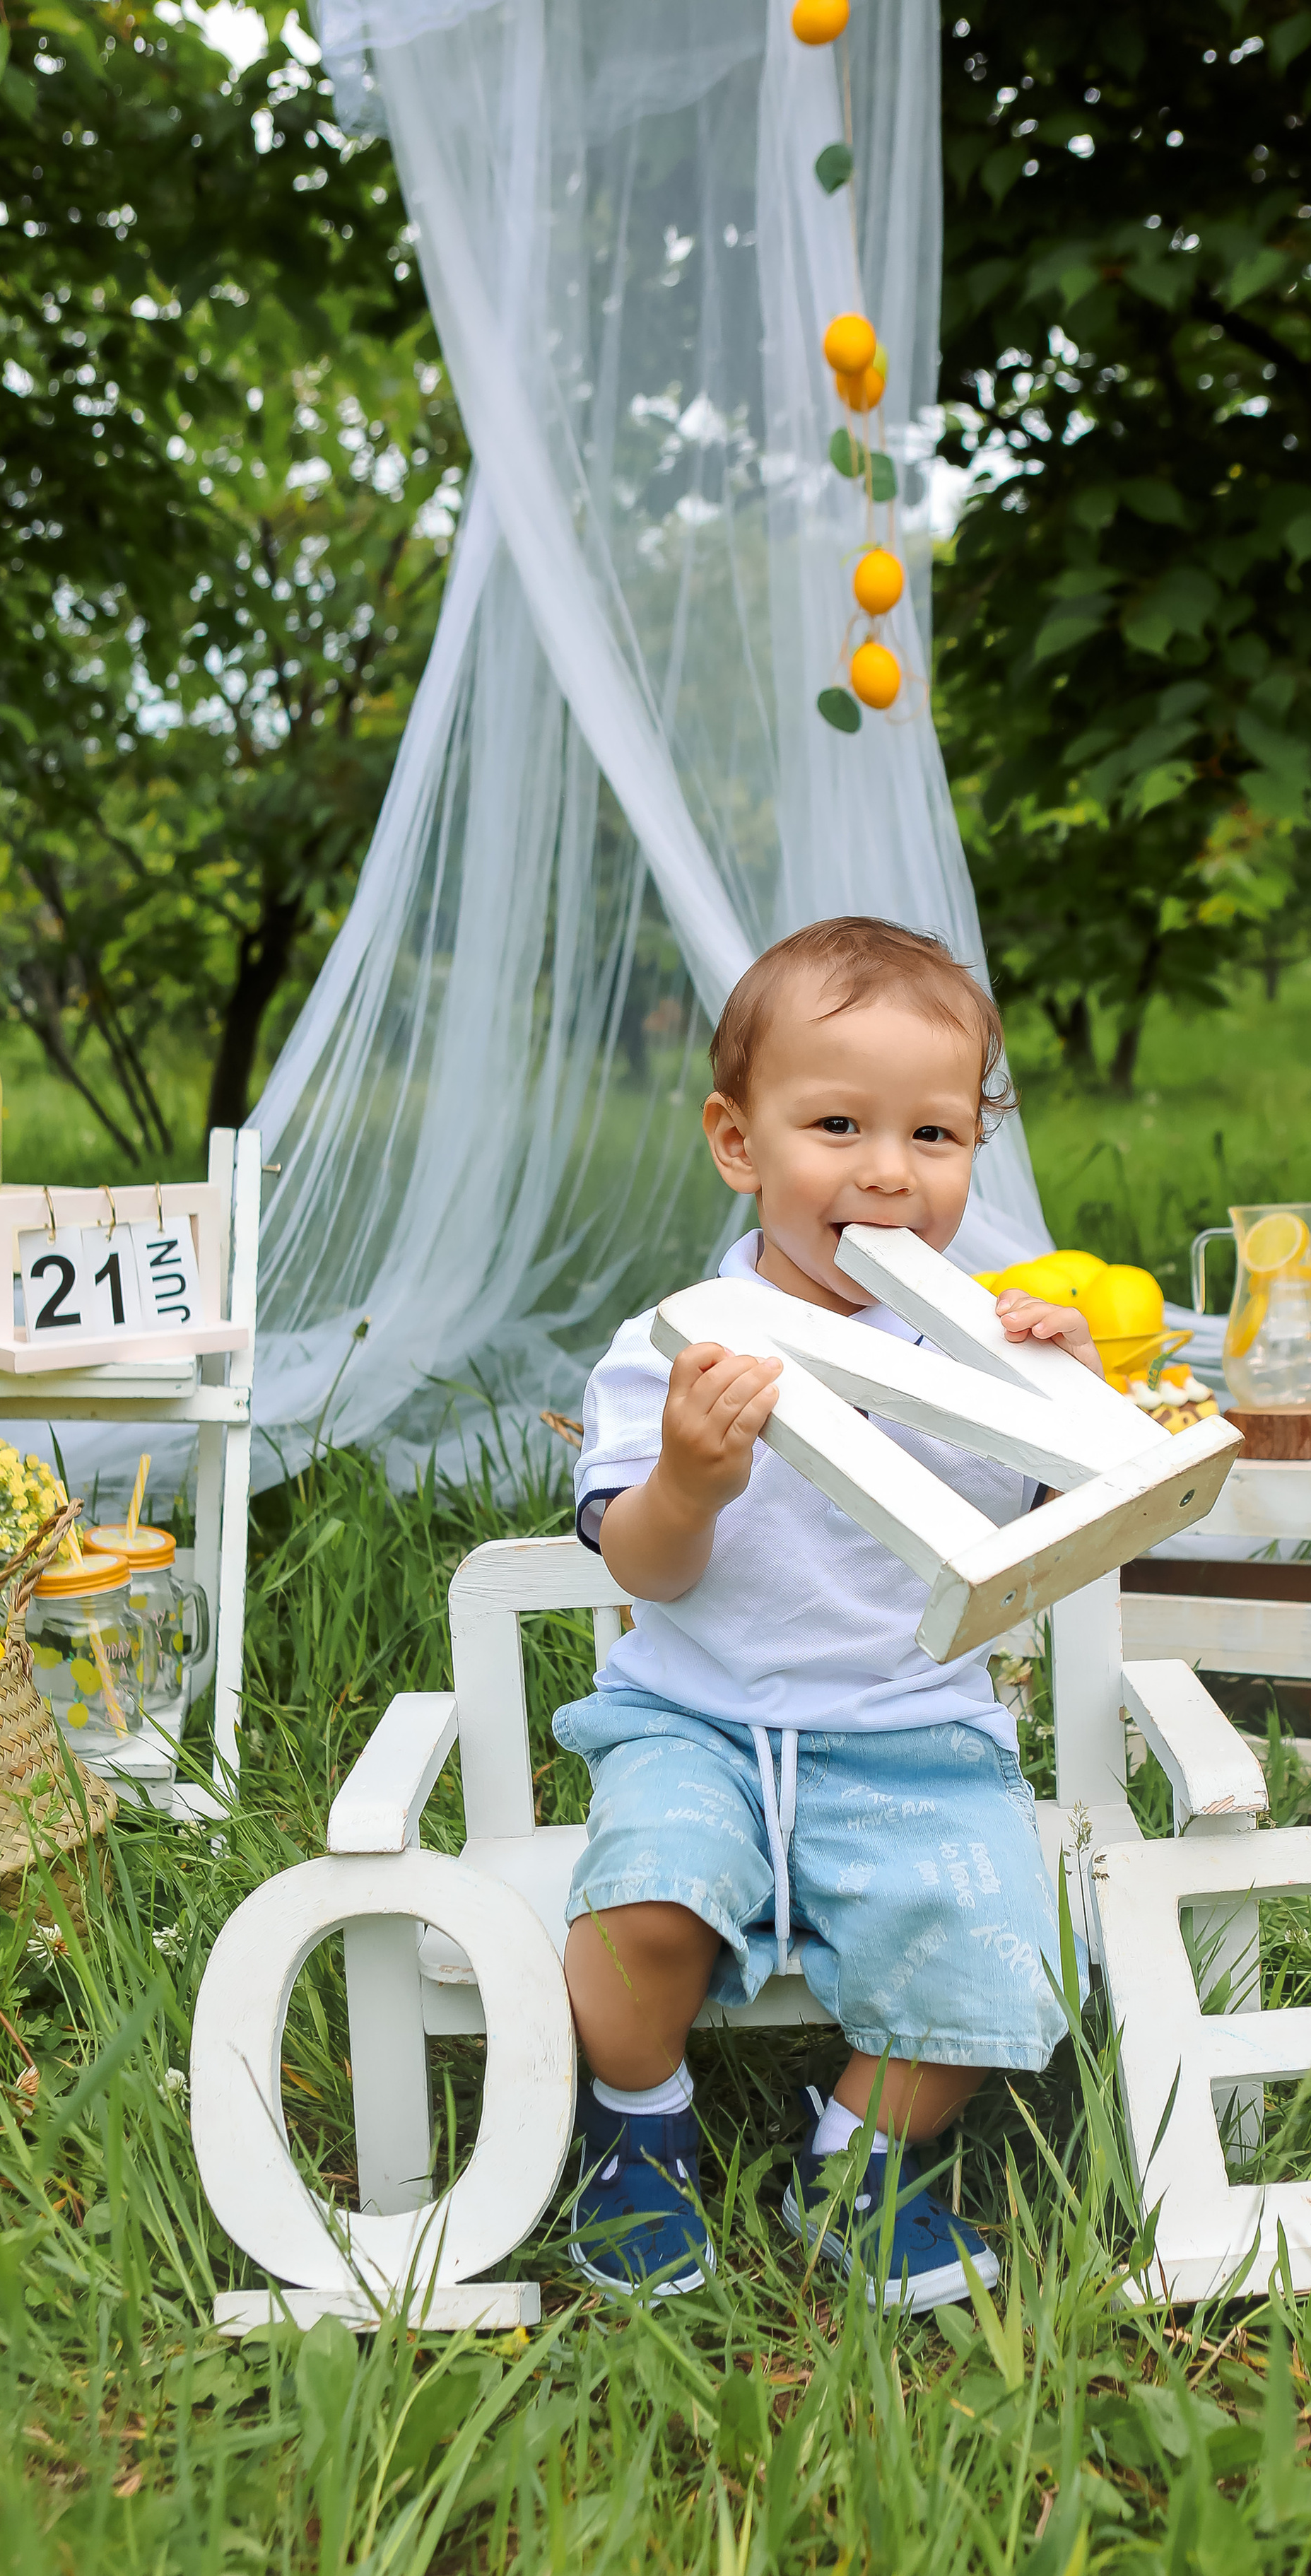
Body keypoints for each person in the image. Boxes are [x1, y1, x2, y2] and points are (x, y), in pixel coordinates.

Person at [555, 917, 1100, 2309]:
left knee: (994, 1947)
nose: (886, 1174)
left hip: (914, 1737)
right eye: (838, 1125)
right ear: (738, 1145)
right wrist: (689, 1476)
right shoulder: (679, 1347)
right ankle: (639, 2127)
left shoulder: (983, 1344)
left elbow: (1039, 1548)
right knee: (639, 1911)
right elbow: (645, 1569)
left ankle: (857, 2167)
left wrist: (1068, 1405)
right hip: (701, 1724)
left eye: (934, 1136)